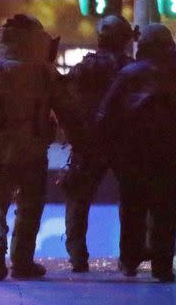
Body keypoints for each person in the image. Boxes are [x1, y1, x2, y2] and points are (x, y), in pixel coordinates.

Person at [0, 14, 83, 281]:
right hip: (34, 151)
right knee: (31, 205)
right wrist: (78, 142)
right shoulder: (47, 73)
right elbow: (68, 111)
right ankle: (22, 262)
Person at [96, 23, 176, 282]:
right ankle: (162, 265)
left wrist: (110, 149)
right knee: (168, 210)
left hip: (132, 156)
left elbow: (105, 116)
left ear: (141, 45)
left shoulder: (127, 74)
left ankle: (130, 260)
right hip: (171, 155)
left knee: (133, 208)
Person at [60, 15, 137, 272]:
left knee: (78, 200)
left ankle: (78, 257)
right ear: (125, 39)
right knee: (131, 200)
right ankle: (129, 259)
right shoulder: (132, 68)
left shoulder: (85, 67)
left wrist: (73, 133)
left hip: (88, 143)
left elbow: (64, 99)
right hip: (124, 143)